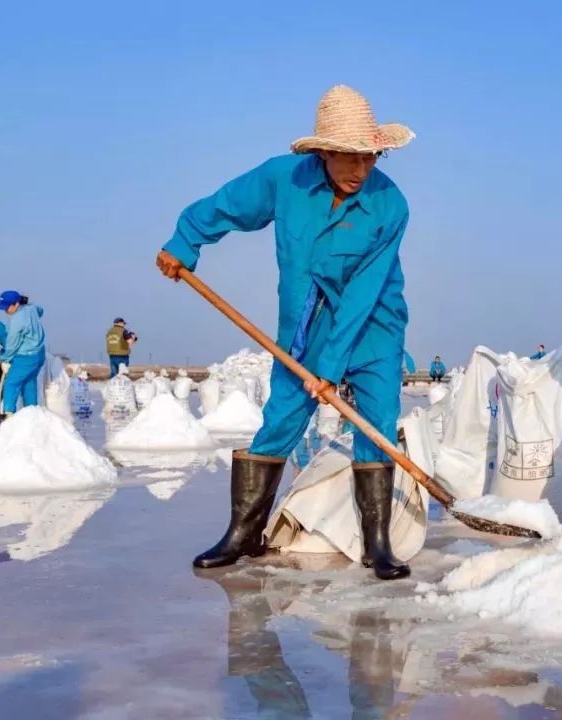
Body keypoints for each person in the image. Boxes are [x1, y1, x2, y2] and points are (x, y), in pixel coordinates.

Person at [156, 85, 414, 580]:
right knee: (281, 416)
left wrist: (332, 371)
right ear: (322, 151)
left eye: (370, 157)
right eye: (347, 157)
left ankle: (377, 542)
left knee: (377, 421)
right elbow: (225, 206)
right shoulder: (284, 180)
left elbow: (363, 292)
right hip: (304, 324)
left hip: (375, 322)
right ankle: (244, 533)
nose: (360, 170)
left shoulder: (391, 206)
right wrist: (184, 242)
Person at [0, 291, 47, 418]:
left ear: (16, 304)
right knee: (28, 382)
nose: (5, 310)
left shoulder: (16, 321)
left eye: (7, 306)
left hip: (25, 358)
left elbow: (12, 346)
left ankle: (8, 416)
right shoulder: (32, 308)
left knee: (11, 384)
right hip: (39, 354)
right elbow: (40, 311)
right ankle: (31, 414)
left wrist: (3, 360)